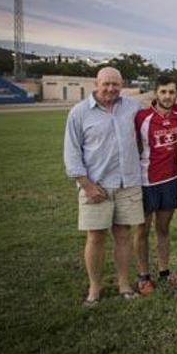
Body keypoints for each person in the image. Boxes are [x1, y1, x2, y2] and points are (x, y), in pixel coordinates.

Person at [63, 66, 143, 306]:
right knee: (95, 237)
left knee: (124, 235)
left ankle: (124, 284)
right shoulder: (79, 113)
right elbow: (71, 152)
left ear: (122, 85)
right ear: (96, 84)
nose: (110, 88)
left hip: (127, 183)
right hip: (96, 186)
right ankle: (95, 288)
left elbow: (160, 106)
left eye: (115, 84)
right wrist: (86, 185)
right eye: (106, 84)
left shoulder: (132, 107)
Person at [133, 76, 177, 294]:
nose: (167, 96)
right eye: (163, 92)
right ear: (156, 93)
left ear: (176, 94)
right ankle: (144, 276)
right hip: (146, 181)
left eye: (171, 92)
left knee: (163, 229)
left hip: (170, 180)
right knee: (142, 230)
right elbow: (133, 146)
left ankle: (164, 271)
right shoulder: (142, 118)